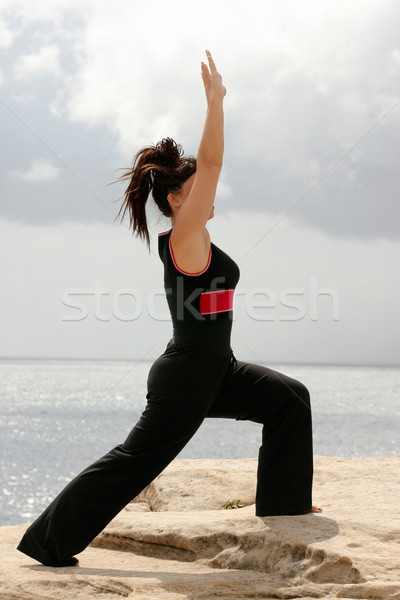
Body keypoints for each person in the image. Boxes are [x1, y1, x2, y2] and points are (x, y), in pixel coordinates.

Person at [16, 50, 322, 569]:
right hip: (186, 377)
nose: (206, 192)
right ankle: (47, 541)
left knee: (290, 400)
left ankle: (284, 503)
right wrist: (216, 103)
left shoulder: (193, 236)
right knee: (135, 462)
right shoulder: (185, 234)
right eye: (195, 189)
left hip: (214, 368)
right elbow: (214, 163)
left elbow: (208, 174)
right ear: (178, 200)